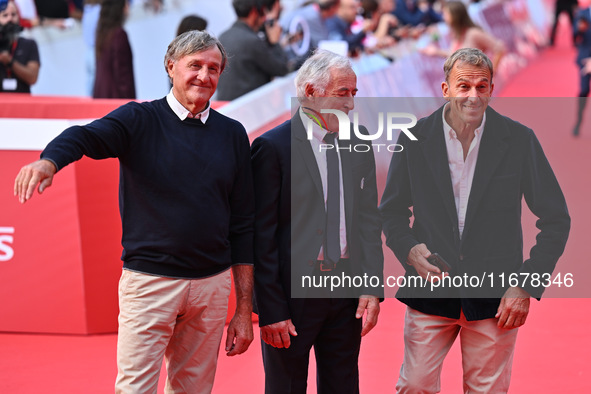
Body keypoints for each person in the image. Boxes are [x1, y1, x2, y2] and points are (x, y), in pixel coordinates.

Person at [14, 30, 255, 394]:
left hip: (211, 289)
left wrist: (243, 308)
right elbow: (83, 136)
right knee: (135, 390)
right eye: (195, 66)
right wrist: (50, 161)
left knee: (194, 390)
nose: (204, 77)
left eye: (213, 68)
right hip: (149, 285)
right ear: (170, 66)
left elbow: (243, 224)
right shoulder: (139, 119)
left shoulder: (233, 134)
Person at [379, 48, 570, 393]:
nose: (473, 95)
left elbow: (556, 218)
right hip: (431, 291)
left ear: (492, 88)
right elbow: (391, 212)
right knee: (414, 386)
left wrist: (526, 283)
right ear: (445, 89)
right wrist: (407, 249)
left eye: (482, 87)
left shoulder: (519, 139)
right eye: (463, 86)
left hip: (495, 299)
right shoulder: (413, 138)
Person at [251, 49, 383, 393]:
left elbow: (368, 219)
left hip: (346, 291)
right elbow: (261, 236)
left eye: (354, 94)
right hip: (293, 296)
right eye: (343, 93)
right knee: (287, 386)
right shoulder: (272, 147)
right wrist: (270, 308)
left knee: (343, 385)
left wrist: (371, 285)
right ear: (310, 92)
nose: (351, 105)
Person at [217, 0, 288, 101]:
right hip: (251, 110)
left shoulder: (223, 37)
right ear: (254, 12)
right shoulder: (252, 41)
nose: (264, 18)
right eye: (262, 12)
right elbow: (282, 69)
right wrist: (275, 42)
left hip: (228, 108)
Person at [421, 1, 505, 72]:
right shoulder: (457, 36)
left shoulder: (473, 33)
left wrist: (491, 73)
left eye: (446, 14)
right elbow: (454, 55)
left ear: (455, 15)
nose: (443, 17)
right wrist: (436, 52)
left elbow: (499, 48)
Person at [93, 0, 135, 99]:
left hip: (101, 95)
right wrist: (130, 105)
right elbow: (122, 75)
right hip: (116, 99)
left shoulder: (102, 33)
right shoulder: (119, 35)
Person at [0, 0, 40, 93]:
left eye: (13, 15)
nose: (10, 19)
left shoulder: (29, 44)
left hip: (22, 102)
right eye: (5, 15)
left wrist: (10, 61)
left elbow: (32, 78)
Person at [573, 5, 591, 136]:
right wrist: (579, 29)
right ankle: (578, 121)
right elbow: (574, 33)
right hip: (585, 60)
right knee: (584, 90)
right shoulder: (582, 13)